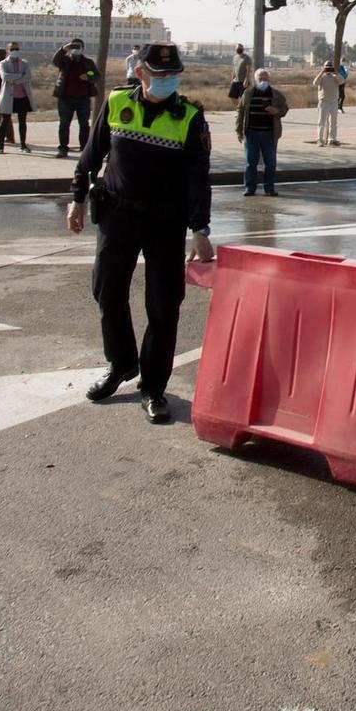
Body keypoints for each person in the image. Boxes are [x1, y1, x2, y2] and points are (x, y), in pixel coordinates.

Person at [66, 41, 214, 425]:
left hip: (165, 221)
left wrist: (200, 228)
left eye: (174, 75)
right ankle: (121, 364)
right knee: (107, 290)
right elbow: (92, 152)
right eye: (160, 74)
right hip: (117, 215)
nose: (168, 80)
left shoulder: (190, 116)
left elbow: (198, 178)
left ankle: (153, 387)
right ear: (140, 73)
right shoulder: (117, 103)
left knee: (163, 305)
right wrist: (77, 198)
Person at [234, 68, 289, 195]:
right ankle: (249, 188)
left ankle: (269, 188)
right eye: (260, 79)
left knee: (270, 163)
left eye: (265, 79)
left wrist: (276, 111)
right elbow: (240, 111)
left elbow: (285, 109)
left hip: (269, 134)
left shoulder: (276, 94)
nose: (263, 81)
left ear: (269, 80)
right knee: (250, 163)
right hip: (251, 133)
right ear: (255, 79)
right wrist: (238, 130)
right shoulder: (248, 93)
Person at [50, 36, 99, 159]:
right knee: (64, 124)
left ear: (83, 48)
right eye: (74, 46)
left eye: (78, 47)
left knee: (84, 125)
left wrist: (88, 77)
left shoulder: (88, 62)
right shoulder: (65, 60)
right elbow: (55, 61)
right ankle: (63, 149)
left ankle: (84, 149)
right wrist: (63, 49)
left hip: (83, 98)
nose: (76, 49)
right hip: (66, 98)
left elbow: (96, 76)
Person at [0, 42, 33, 151]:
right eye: (12, 49)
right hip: (8, 96)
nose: (14, 51)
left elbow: (28, 76)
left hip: (22, 96)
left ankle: (23, 145)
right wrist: (20, 76)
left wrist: (15, 80)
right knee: (5, 121)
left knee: (22, 122)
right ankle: (0, 146)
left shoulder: (24, 63)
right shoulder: (3, 63)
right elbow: (5, 76)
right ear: (8, 50)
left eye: (16, 49)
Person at [313, 61, 342, 146]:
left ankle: (332, 139)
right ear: (323, 66)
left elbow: (342, 81)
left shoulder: (335, 76)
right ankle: (319, 139)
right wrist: (322, 71)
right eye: (327, 66)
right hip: (324, 101)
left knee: (333, 122)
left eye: (330, 66)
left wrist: (335, 73)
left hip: (333, 102)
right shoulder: (322, 76)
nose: (328, 68)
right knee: (321, 121)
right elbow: (315, 83)